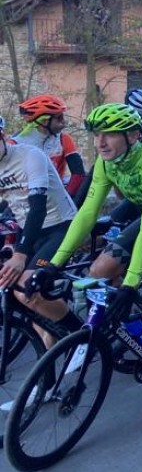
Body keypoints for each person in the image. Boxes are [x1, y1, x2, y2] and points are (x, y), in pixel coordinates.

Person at [26, 104, 142, 433]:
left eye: (109, 135)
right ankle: (130, 330)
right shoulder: (106, 161)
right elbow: (86, 213)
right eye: (97, 135)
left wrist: (130, 285)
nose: (100, 143)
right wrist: (55, 264)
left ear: (132, 136)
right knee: (98, 271)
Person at [0, 115, 80, 359]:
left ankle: (81, 336)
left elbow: (38, 208)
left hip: (61, 227)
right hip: (31, 232)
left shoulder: (29, 155)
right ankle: (47, 370)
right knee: (16, 292)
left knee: (26, 288)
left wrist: (21, 254)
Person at [15, 95, 86, 199]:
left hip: (56, 196)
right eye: (59, 118)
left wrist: (65, 198)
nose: (63, 121)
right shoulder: (16, 143)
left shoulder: (64, 139)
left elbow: (78, 174)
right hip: (26, 198)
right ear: (44, 121)